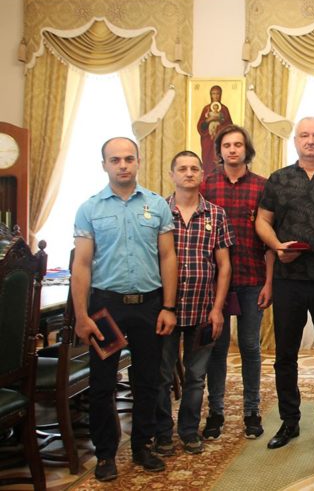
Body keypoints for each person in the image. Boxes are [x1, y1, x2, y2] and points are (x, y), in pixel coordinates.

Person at [72, 137, 178, 482]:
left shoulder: (157, 205)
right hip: (106, 309)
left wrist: (168, 307)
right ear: (104, 165)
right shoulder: (90, 209)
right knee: (102, 384)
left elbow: (168, 257)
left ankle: (142, 447)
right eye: (115, 159)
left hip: (149, 306)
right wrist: (82, 316)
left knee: (148, 381)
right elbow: (81, 266)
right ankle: (105, 454)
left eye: (129, 159)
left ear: (138, 162)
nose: (122, 165)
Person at [255, 117, 314, 451]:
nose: (311, 140)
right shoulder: (279, 179)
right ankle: (289, 421)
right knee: (285, 354)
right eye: (304, 135)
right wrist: (278, 246)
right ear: (295, 140)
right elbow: (262, 221)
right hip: (288, 281)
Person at [153, 151, 234, 457]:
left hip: (202, 310)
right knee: (162, 376)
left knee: (196, 376)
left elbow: (224, 266)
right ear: (172, 175)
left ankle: (188, 431)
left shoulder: (216, 215)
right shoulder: (157, 212)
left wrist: (217, 309)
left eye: (194, 168)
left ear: (202, 175)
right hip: (166, 311)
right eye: (182, 168)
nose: (188, 173)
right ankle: (162, 433)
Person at [200, 125, 271, 440]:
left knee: (250, 346)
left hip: (252, 278)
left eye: (238, 145)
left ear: (247, 150)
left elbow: (269, 241)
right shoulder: (206, 185)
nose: (232, 150)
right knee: (216, 348)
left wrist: (270, 283)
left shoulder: (262, 186)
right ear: (219, 150)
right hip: (215, 283)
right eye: (227, 145)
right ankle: (215, 412)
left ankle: (251, 411)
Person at [197, 85, 232, 176]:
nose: (215, 96)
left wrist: (220, 124)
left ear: (220, 95)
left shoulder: (224, 110)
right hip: (208, 140)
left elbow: (230, 127)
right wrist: (208, 120)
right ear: (211, 95)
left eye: (217, 94)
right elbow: (200, 126)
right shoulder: (206, 109)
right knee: (207, 160)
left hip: (220, 140)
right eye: (213, 94)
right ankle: (207, 177)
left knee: (219, 159)